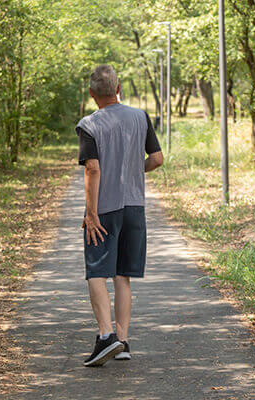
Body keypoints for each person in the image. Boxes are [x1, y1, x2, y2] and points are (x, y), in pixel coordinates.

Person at [76, 65, 164, 367]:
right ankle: (123, 341)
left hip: (106, 209)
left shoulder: (89, 124)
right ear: (119, 88)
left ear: (91, 94)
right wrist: (130, 171)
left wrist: (91, 213)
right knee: (122, 275)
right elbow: (156, 159)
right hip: (134, 208)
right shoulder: (141, 117)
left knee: (97, 272)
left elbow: (93, 169)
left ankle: (105, 336)